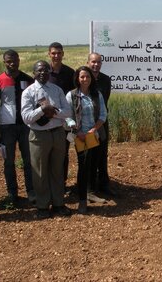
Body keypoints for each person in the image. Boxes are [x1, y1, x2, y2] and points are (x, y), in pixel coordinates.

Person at [21, 61, 72, 219]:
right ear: (34, 73)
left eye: (46, 70)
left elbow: (67, 111)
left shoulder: (57, 90)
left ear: (50, 72)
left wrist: (52, 112)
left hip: (57, 133)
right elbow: (26, 117)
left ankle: (58, 204)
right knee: (40, 172)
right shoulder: (28, 92)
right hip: (39, 136)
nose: (43, 73)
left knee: (57, 170)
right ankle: (42, 206)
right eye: (39, 70)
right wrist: (42, 109)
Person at [0, 49, 35, 206]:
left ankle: (31, 191)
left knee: (28, 160)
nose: (12, 63)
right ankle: (12, 193)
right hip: (6, 126)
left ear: (19, 61)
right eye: (9, 61)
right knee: (8, 161)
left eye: (15, 60)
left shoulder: (28, 79)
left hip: (25, 126)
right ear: (4, 62)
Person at [65, 66, 108, 214]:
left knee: (93, 165)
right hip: (80, 137)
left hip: (94, 136)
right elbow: (67, 115)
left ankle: (91, 193)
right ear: (77, 78)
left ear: (91, 79)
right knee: (83, 167)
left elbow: (103, 114)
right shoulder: (71, 95)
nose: (85, 79)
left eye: (87, 77)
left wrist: (94, 129)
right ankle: (82, 200)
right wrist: (77, 131)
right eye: (82, 77)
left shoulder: (97, 94)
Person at [47, 42, 75, 189]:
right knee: (48, 153)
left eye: (59, 53)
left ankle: (62, 183)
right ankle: (49, 183)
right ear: (49, 54)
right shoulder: (43, 73)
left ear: (63, 54)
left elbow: (74, 97)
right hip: (47, 120)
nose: (56, 56)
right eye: (53, 53)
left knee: (63, 153)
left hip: (65, 119)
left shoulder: (70, 73)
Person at [87, 52, 114, 198]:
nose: (96, 65)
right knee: (89, 155)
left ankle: (104, 185)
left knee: (103, 154)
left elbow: (105, 101)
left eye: (98, 62)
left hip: (101, 122)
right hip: (86, 125)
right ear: (88, 62)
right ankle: (89, 189)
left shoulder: (105, 80)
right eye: (93, 62)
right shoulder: (84, 78)